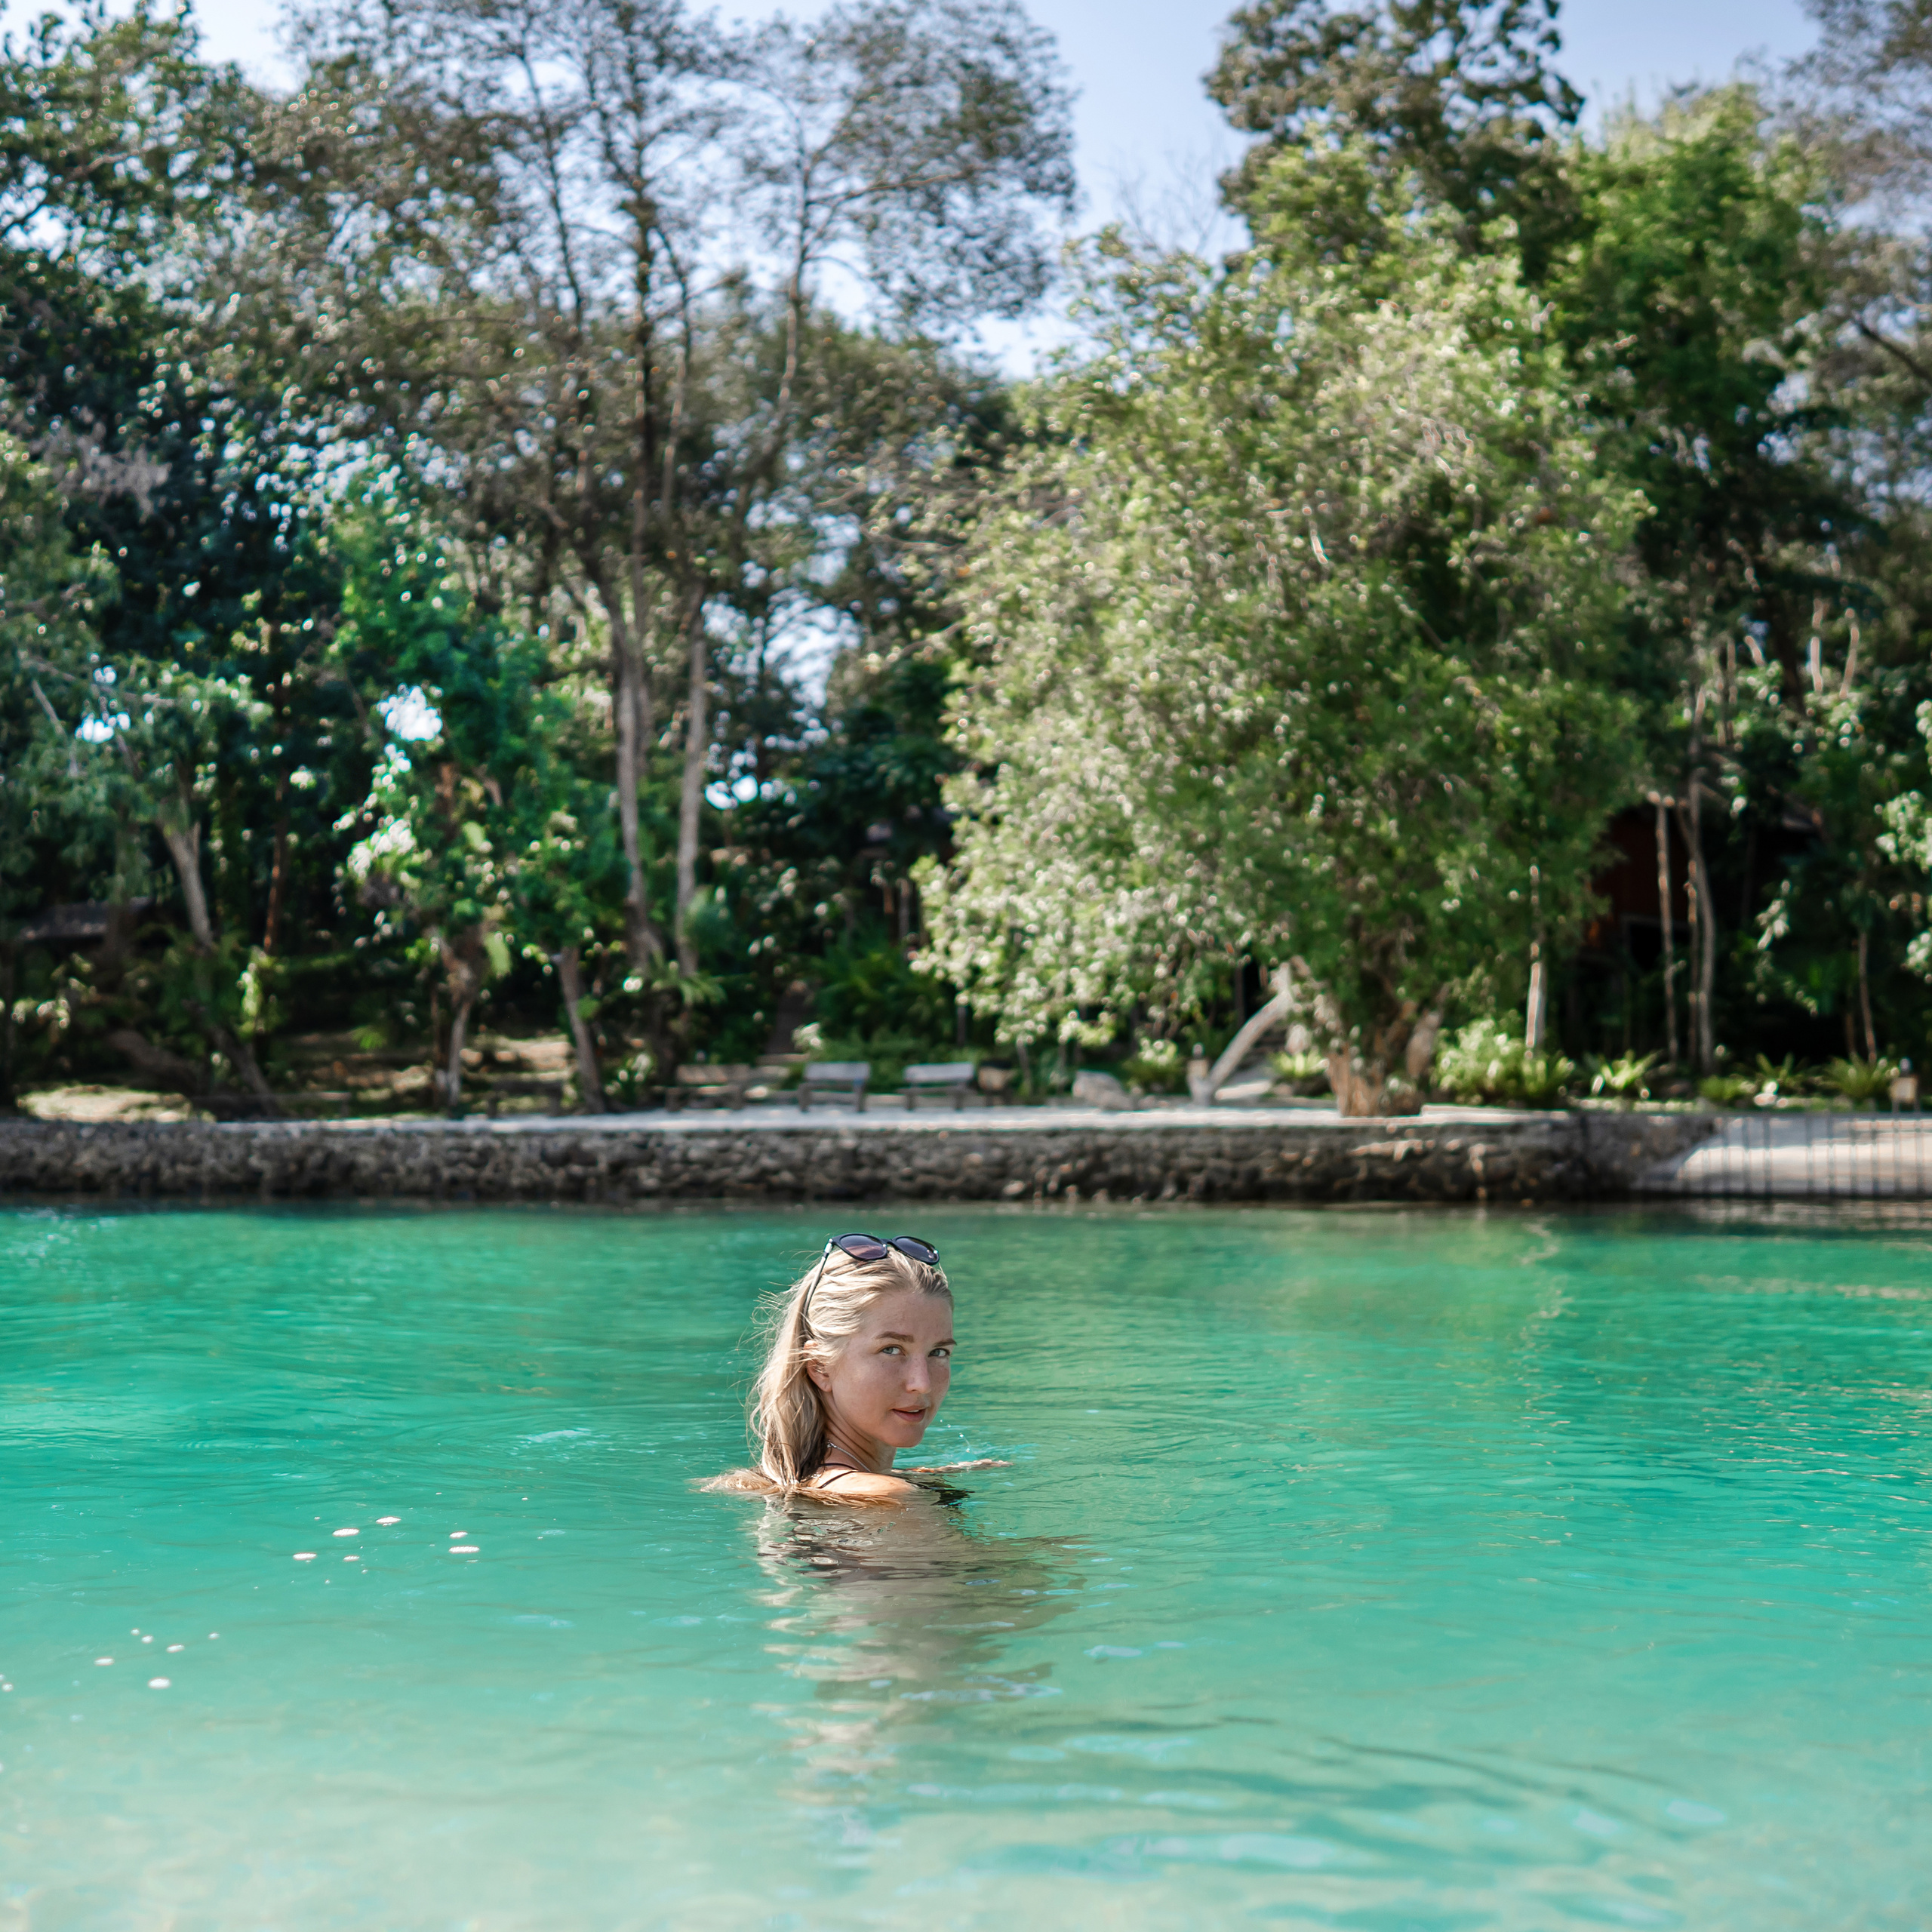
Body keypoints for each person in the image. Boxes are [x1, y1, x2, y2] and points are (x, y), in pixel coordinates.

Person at [704, 1232, 1004, 1500]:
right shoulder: (887, 1497)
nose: (921, 1383)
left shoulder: (801, 1482)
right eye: (891, 1349)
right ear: (820, 1366)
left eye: (938, 1352)